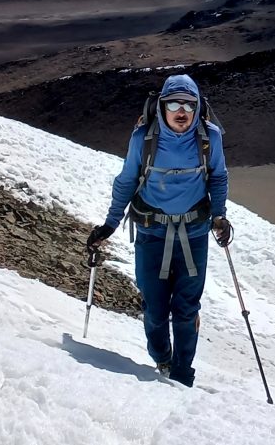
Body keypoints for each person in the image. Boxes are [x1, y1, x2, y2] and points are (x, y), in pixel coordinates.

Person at [87, 73, 231, 387]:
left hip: (193, 233)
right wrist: (111, 223)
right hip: (152, 234)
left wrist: (219, 217)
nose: (182, 111)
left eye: (189, 105)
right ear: (162, 106)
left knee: (186, 308)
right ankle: (162, 358)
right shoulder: (144, 140)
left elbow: (218, 177)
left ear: (198, 108)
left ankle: (181, 374)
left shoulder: (210, 138)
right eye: (175, 104)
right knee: (154, 307)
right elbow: (126, 181)